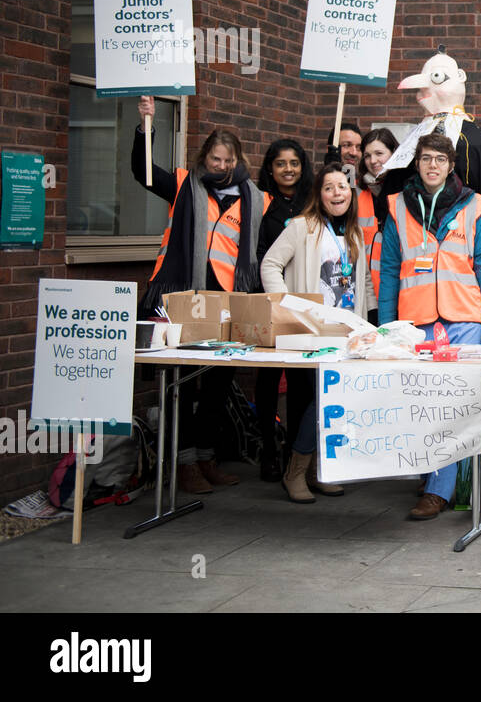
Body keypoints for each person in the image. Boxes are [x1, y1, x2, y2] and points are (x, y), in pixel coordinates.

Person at [132, 95, 269, 494]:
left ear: (237, 159)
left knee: (218, 384)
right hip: (181, 299)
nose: (221, 166)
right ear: (204, 157)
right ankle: (183, 462)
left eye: (228, 160)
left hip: (227, 304)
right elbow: (143, 173)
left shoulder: (255, 198)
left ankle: (206, 456)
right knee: (180, 384)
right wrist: (146, 125)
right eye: (215, 159)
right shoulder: (182, 184)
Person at [379, 131, 481, 520]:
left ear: (451, 166)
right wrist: (385, 326)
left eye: (440, 159)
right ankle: (439, 474)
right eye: (427, 158)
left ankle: (438, 490)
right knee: (420, 404)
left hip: (464, 316)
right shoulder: (397, 207)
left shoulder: (472, 206)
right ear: (417, 163)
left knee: (454, 404)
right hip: (415, 321)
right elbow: (389, 269)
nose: (433, 165)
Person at [261, 162, 372, 503]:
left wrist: (367, 324)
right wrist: (287, 307)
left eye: (342, 187)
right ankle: (295, 471)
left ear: (350, 194)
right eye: (329, 188)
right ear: (319, 195)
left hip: (345, 331)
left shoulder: (354, 233)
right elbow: (269, 264)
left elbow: (360, 282)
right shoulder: (302, 227)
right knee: (320, 399)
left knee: (334, 401)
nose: (336, 193)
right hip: (312, 330)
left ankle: (314, 471)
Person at [382, 50, 481, 238]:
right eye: (426, 158)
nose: (433, 164)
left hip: (465, 252)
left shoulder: (480, 145)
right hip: (415, 247)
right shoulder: (411, 144)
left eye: (436, 77)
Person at [253, 138, 314, 482]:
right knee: (268, 379)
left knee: (302, 382)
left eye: (294, 163)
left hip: (304, 305)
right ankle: (268, 449)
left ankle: (296, 452)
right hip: (270, 301)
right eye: (281, 163)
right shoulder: (261, 204)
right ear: (270, 168)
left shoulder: (310, 203)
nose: (288, 169)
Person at [356, 127, 400, 324]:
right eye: (367, 155)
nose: (373, 161)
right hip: (364, 290)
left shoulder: (405, 192)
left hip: (397, 286)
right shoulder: (357, 192)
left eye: (379, 153)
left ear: (394, 153)